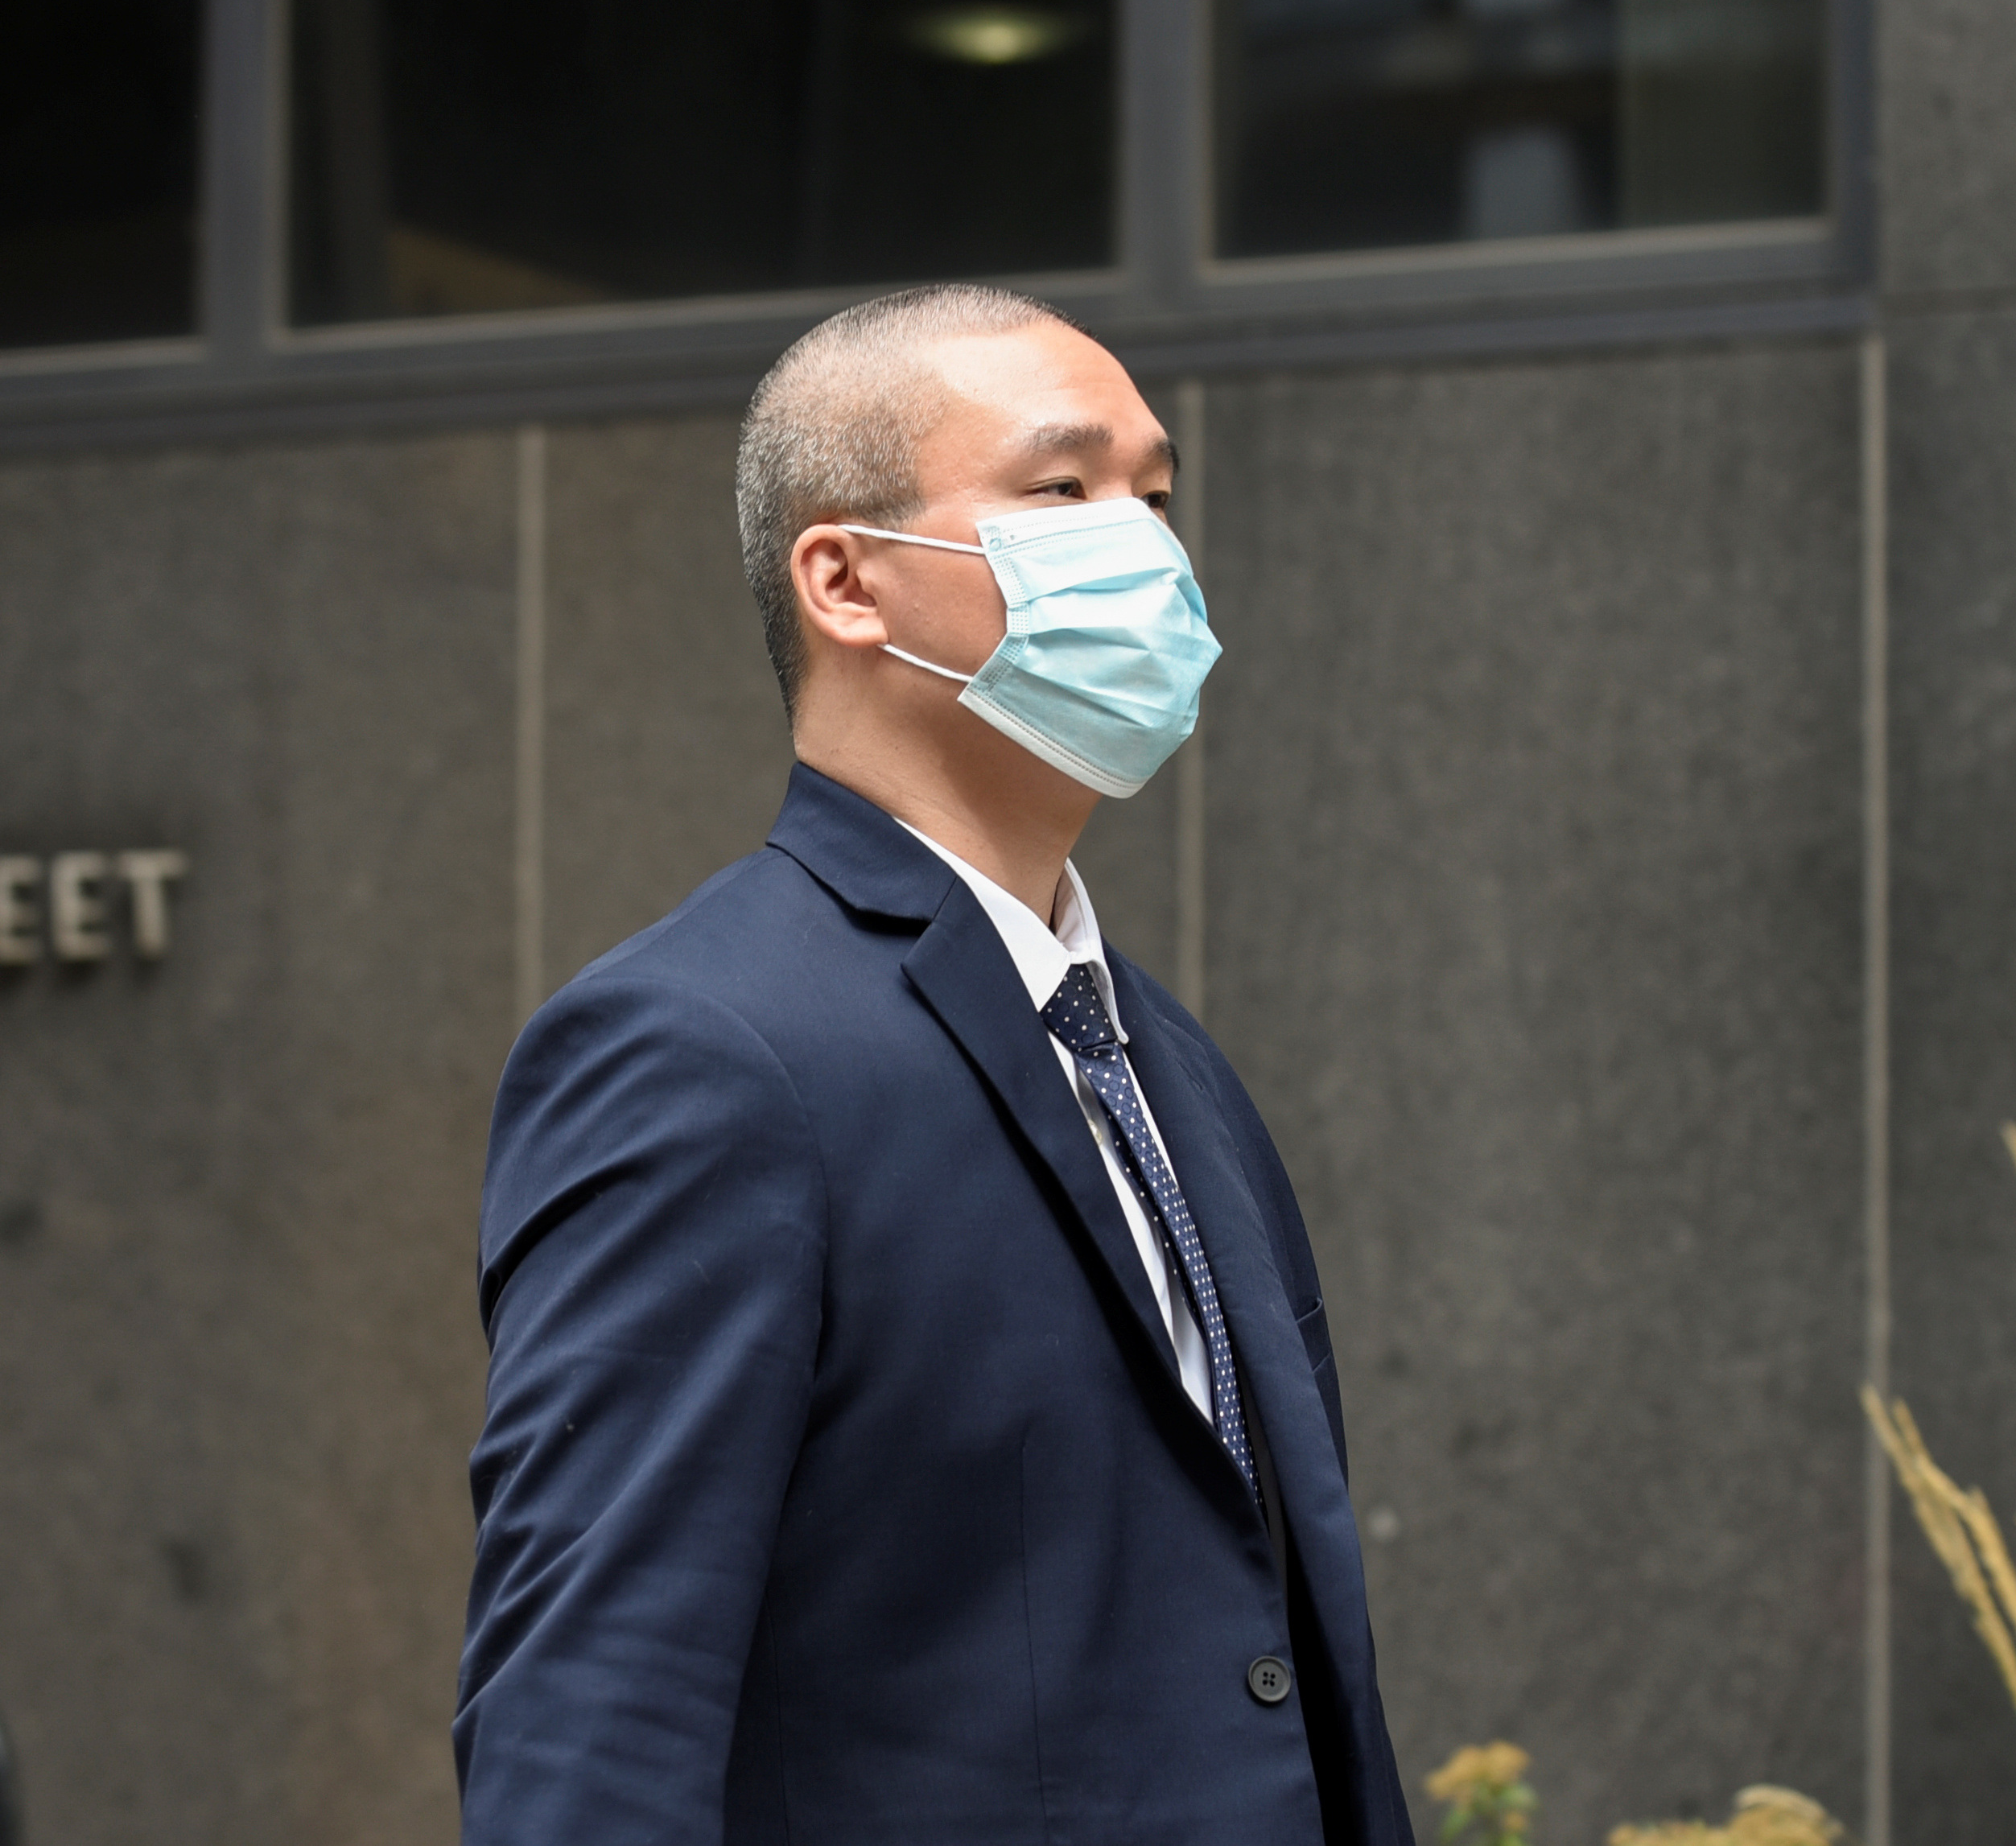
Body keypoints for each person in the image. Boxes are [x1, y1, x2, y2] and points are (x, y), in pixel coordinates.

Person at [457, 284, 1415, 1846]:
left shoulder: (1164, 1062)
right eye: (1063, 487)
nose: (1143, 547)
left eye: (1155, 494)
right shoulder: (697, 1049)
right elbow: (593, 1717)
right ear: (843, 581)